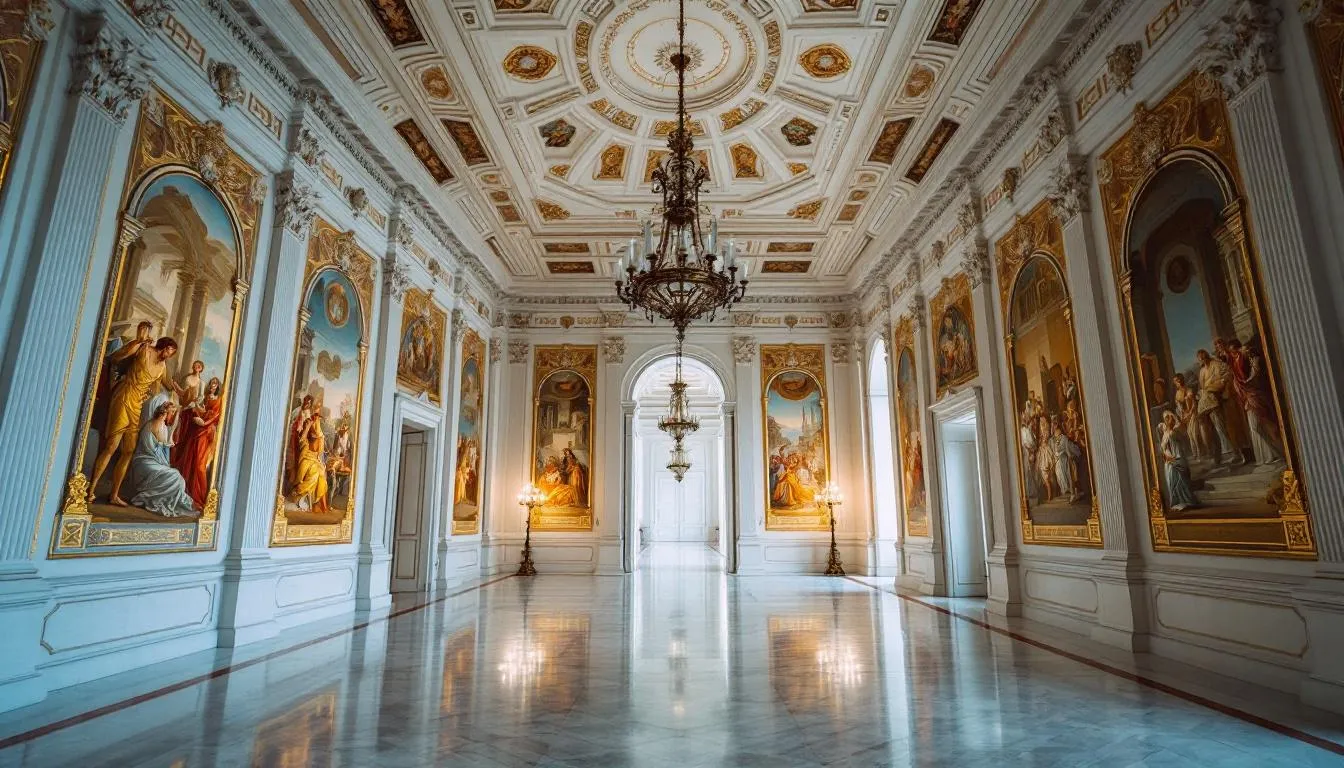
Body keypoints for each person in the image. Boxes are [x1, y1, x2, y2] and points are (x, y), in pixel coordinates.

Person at [88, 336, 185, 506]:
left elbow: (167, 385)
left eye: (173, 353)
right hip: (124, 396)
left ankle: (114, 495)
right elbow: (117, 357)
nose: (170, 355)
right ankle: (90, 490)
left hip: (137, 405)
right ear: (164, 346)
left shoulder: (162, 366)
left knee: (129, 450)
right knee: (111, 446)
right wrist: (138, 341)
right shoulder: (144, 350)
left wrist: (180, 392)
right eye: (170, 350)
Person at [127, 395, 199, 518]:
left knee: (177, 476)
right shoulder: (158, 425)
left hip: (149, 462)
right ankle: (158, 499)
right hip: (145, 463)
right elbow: (161, 451)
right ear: (166, 413)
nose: (172, 415)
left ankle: (170, 499)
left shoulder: (160, 425)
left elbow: (162, 448)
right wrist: (168, 449)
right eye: (172, 413)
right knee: (176, 476)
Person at [1225, 338, 1285, 465]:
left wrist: (1247, 382)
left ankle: (1277, 453)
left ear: (1238, 348)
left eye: (1234, 351)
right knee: (1255, 427)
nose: (1233, 353)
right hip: (1247, 396)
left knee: (1265, 425)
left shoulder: (1245, 356)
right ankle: (1271, 454)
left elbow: (1254, 371)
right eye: (1231, 352)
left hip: (1254, 394)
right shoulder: (1234, 362)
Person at [172, 377, 222, 508]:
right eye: (212, 383)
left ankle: (199, 497)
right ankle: (187, 492)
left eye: (215, 384)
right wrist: (196, 409)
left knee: (200, 465)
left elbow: (215, 416)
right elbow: (202, 410)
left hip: (206, 431)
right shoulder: (206, 397)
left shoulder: (218, 400)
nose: (213, 385)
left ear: (218, 387)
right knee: (190, 459)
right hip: (198, 428)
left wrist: (204, 422)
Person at [1196, 349, 1237, 465]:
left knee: (1221, 426)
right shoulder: (1202, 371)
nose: (1203, 360)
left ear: (1207, 356)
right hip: (1206, 402)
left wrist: (1220, 384)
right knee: (1211, 430)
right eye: (1200, 359)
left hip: (1217, 398)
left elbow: (1227, 374)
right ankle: (1218, 456)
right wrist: (1201, 393)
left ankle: (1233, 452)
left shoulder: (1216, 364)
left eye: (1204, 357)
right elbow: (1202, 387)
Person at [1159, 410, 1198, 511]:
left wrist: (1173, 458)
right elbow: (1163, 449)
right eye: (1168, 419)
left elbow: (1178, 448)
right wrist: (1166, 457)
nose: (1171, 421)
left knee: (1179, 480)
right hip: (1169, 461)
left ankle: (1184, 501)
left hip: (1177, 459)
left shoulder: (1174, 432)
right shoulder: (1165, 434)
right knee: (1172, 481)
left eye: (1171, 419)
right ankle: (1176, 502)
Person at [291, 416, 329, 513]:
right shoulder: (305, 440)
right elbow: (302, 441)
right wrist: (308, 427)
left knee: (322, 475)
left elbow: (320, 439)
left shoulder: (318, 438)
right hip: (306, 461)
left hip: (315, 461)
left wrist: (316, 423)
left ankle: (319, 504)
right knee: (314, 473)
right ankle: (298, 491)